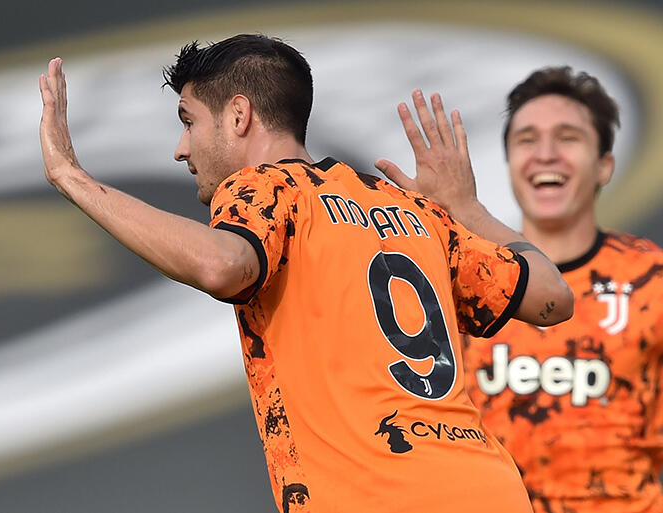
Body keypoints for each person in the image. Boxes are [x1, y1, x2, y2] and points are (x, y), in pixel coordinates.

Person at [39, 34, 573, 512]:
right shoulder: (413, 211)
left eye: (189, 121)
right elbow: (553, 297)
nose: (182, 149)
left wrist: (71, 176)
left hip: (375, 497)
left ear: (239, 115)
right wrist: (467, 209)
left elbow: (223, 265)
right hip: (490, 490)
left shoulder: (267, 187)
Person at [454, 66, 663, 513]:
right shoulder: (462, 275)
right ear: (509, 163)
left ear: (604, 165)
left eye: (568, 138)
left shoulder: (652, 279)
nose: (545, 154)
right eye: (526, 140)